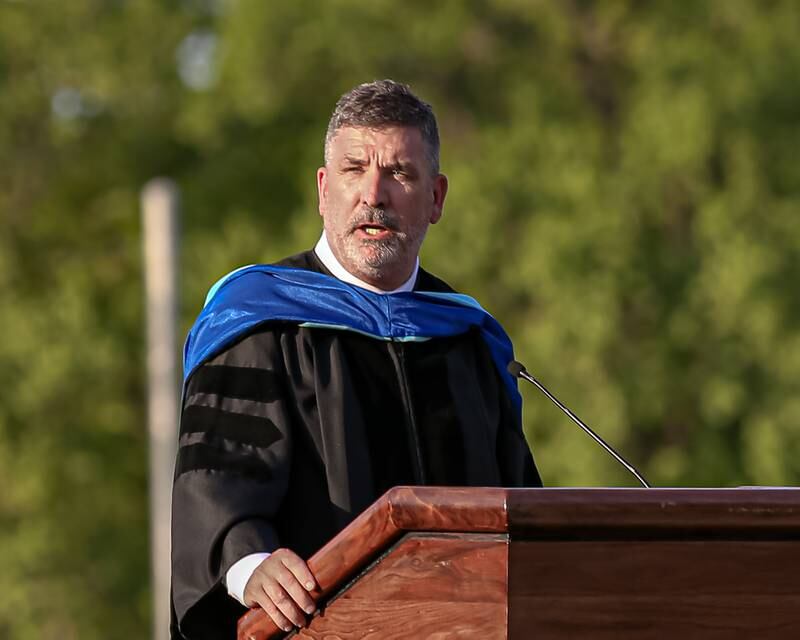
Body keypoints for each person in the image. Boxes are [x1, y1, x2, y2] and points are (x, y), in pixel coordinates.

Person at [170, 79, 541, 639]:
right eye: (354, 169)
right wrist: (250, 568)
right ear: (323, 190)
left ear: (436, 197)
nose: (375, 194)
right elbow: (215, 486)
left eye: (399, 172)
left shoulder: (468, 339)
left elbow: (522, 518)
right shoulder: (260, 322)